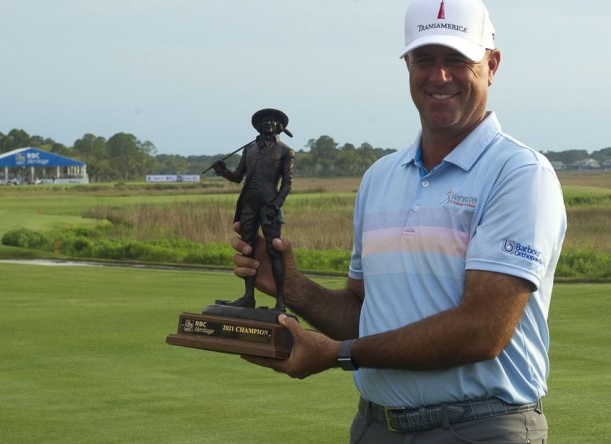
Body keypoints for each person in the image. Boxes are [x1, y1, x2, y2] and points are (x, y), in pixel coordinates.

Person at [233, 0, 567, 442]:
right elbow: (365, 316)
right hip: (376, 426)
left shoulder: (520, 173)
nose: (439, 76)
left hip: (481, 428)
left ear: (492, 65)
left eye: (457, 60)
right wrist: (293, 287)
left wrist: (338, 356)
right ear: (407, 63)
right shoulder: (381, 177)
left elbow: (481, 330)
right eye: (425, 59)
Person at [213, 108, 295, 312]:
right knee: (247, 249)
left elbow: (287, 183)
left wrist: (275, 205)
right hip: (248, 204)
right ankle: (248, 296)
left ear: (280, 127)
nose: (268, 124)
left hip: (269, 206)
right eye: (264, 121)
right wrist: (223, 171)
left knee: (273, 251)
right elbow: (238, 176)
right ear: (258, 127)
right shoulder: (249, 149)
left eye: (272, 121)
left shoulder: (285, 151)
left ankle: (280, 302)